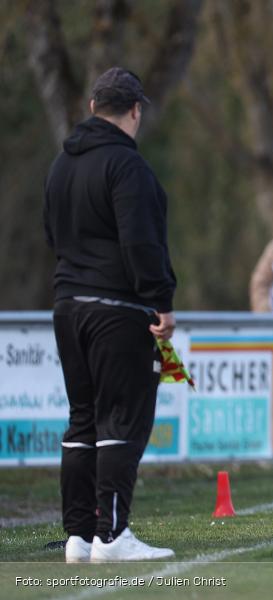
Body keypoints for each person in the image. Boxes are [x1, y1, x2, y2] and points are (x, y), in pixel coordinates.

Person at [43, 67, 177, 562]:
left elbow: (51, 235)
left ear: (93, 106)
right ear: (136, 110)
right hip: (118, 308)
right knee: (121, 419)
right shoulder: (127, 166)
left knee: (83, 420)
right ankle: (113, 535)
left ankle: (79, 536)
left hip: (67, 305)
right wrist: (161, 301)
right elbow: (141, 241)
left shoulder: (61, 164)